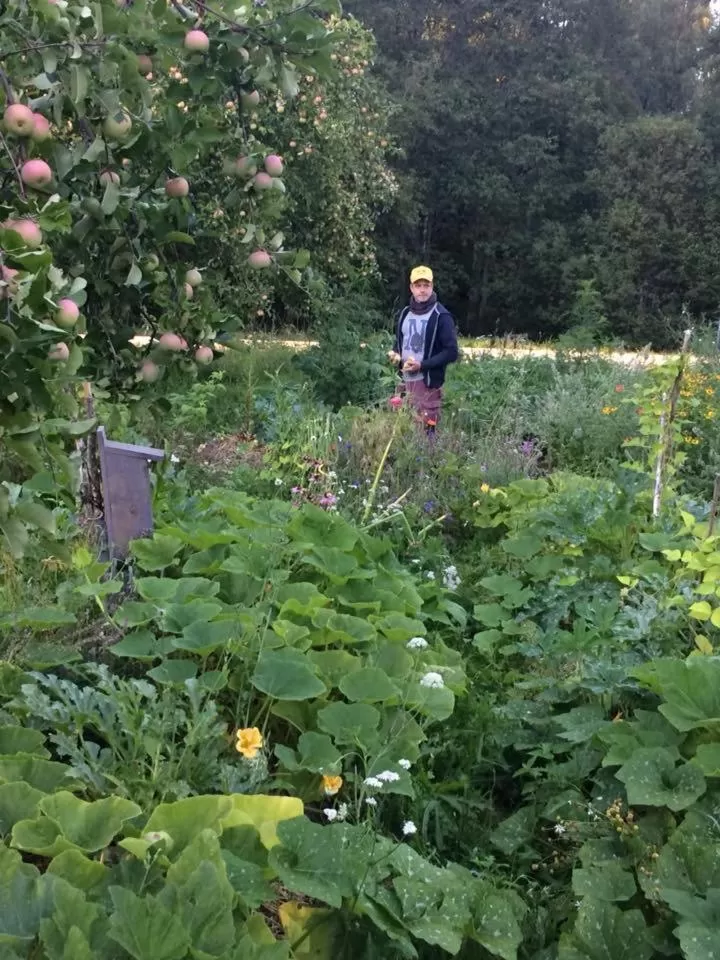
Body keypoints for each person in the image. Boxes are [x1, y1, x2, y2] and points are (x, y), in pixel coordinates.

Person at [388, 265, 459, 432]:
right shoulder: (405, 313)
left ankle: (429, 456)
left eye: (426, 285)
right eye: (418, 285)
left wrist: (422, 365)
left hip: (427, 383)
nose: (422, 290)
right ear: (411, 288)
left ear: (432, 286)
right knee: (402, 429)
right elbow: (400, 341)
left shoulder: (442, 316)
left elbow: (451, 352)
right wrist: (395, 354)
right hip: (403, 381)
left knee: (426, 434)